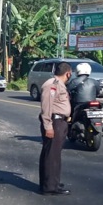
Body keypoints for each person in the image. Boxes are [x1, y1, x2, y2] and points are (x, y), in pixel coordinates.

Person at [39, 62, 72, 196]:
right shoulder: (52, 84)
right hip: (54, 122)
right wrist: (48, 126)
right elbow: (46, 106)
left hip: (59, 122)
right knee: (51, 155)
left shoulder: (58, 84)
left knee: (53, 154)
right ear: (68, 73)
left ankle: (52, 182)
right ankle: (50, 187)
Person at [67, 62, 100, 135]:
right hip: (92, 104)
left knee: (69, 112)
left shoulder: (74, 81)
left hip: (78, 104)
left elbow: (67, 91)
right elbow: (98, 91)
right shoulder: (94, 81)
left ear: (77, 71)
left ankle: (70, 123)